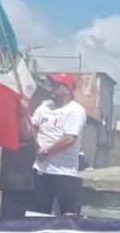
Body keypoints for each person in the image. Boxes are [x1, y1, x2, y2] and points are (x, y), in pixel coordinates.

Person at [21, 73, 88, 216]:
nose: (52, 88)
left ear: (68, 89)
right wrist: (23, 113)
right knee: (38, 214)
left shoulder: (76, 111)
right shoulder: (44, 107)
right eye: (52, 84)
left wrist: (46, 152)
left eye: (57, 85)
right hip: (41, 170)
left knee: (68, 216)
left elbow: (69, 139)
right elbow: (28, 134)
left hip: (64, 173)